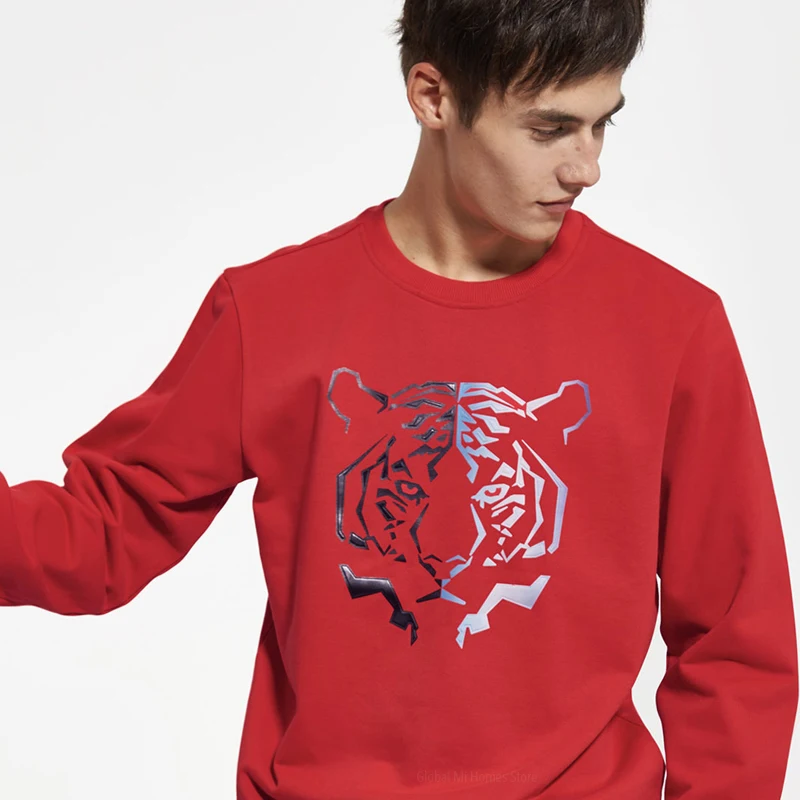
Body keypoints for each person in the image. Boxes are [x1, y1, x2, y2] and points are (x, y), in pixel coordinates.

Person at [1, 1, 796, 798]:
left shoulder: (669, 326)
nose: (586, 169)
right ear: (433, 97)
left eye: (602, 125)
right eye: (550, 130)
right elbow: (104, 531)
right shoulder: (276, 314)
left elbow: (736, 637)